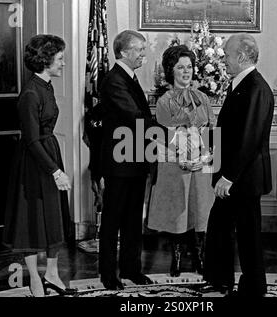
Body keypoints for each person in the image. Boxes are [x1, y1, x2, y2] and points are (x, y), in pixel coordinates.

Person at [2, 34, 76, 297]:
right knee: (31, 219)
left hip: (49, 152)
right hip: (34, 162)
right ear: (45, 61)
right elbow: (32, 140)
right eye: (59, 59)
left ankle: (52, 274)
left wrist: (55, 165)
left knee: (54, 217)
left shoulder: (46, 85)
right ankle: (35, 278)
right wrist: (55, 171)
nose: (63, 63)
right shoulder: (31, 93)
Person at [202, 34, 274, 297]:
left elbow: (249, 138)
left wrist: (228, 176)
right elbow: (232, 131)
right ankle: (220, 280)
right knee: (220, 226)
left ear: (241, 57)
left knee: (247, 234)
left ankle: (253, 287)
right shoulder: (241, 84)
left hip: (242, 178)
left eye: (227, 56)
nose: (224, 60)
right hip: (235, 175)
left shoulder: (255, 87)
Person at [147, 45, 216, 277]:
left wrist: (206, 157)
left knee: (201, 212)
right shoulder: (165, 101)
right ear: (171, 70)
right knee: (178, 213)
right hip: (174, 165)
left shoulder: (203, 98)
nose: (186, 72)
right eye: (180, 67)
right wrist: (184, 160)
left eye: (189, 67)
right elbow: (168, 137)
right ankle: (175, 259)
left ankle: (200, 257)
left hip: (201, 166)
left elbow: (211, 132)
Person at [98, 30, 154, 290]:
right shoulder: (114, 80)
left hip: (135, 160)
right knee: (112, 221)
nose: (144, 54)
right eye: (139, 49)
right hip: (119, 164)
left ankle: (132, 269)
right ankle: (108, 274)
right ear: (123, 52)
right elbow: (136, 118)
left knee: (133, 219)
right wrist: (173, 137)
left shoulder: (128, 77)